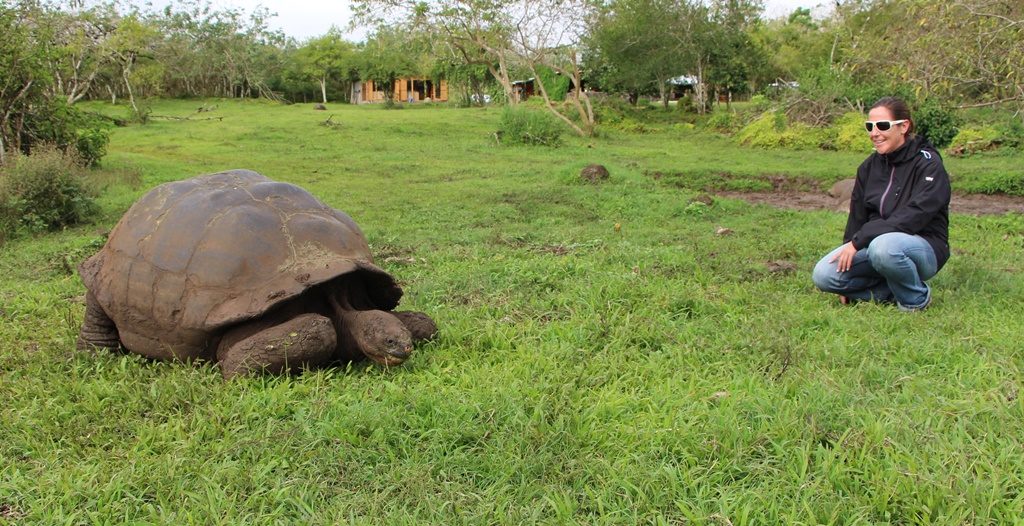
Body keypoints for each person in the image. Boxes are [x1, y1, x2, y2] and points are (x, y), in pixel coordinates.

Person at [812, 97, 951, 311]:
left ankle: (915, 300)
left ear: (904, 126)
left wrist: (862, 240)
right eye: (870, 126)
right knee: (824, 275)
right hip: (874, 245)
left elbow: (914, 216)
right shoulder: (868, 168)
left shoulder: (929, 165)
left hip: (923, 246)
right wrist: (849, 247)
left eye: (882, 126)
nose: (874, 133)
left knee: (883, 247)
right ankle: (893, 291)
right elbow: (857, 219)